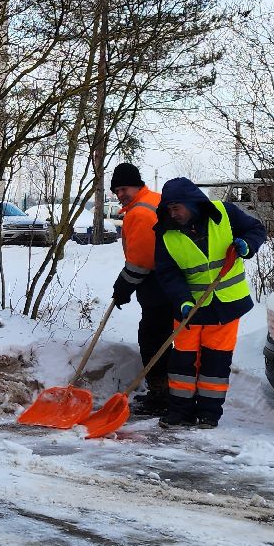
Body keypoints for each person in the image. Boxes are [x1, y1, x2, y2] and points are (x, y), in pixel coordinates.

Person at [150, 178, 267, 428]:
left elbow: (256, 230)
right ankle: (179, 411)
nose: (173, 214)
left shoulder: (224, 213)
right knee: (182, 362)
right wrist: (181, 300)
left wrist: (246, 246)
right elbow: (167, 272)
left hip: (226, 305)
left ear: (192, 203)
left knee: (215, 362)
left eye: (177, 207)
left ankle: (209, 414)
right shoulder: (166, 234)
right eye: (169, 209)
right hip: (189, 308)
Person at [107, 163, 173, 416]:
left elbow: (143, 260)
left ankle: (162, 393)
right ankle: (168, 390)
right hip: (168, 280)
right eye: (117, 190)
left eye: (124, 188)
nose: (120, 194)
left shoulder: (141, 212)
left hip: (158, 283)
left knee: (152, 338)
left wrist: (123, 285)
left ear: (137, 184)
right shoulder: (153, 200)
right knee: (163, 336)